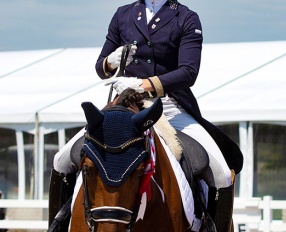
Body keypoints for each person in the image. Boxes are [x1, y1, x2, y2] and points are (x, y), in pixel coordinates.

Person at [50, 0, 243, 231]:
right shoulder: (123, 14)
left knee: (221, 172)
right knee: (61, 160)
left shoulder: (186, 17)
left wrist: (144, 84)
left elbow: (189, 71)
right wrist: (110, 63)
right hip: (122, 106)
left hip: (169, 105)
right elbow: (100, 67)